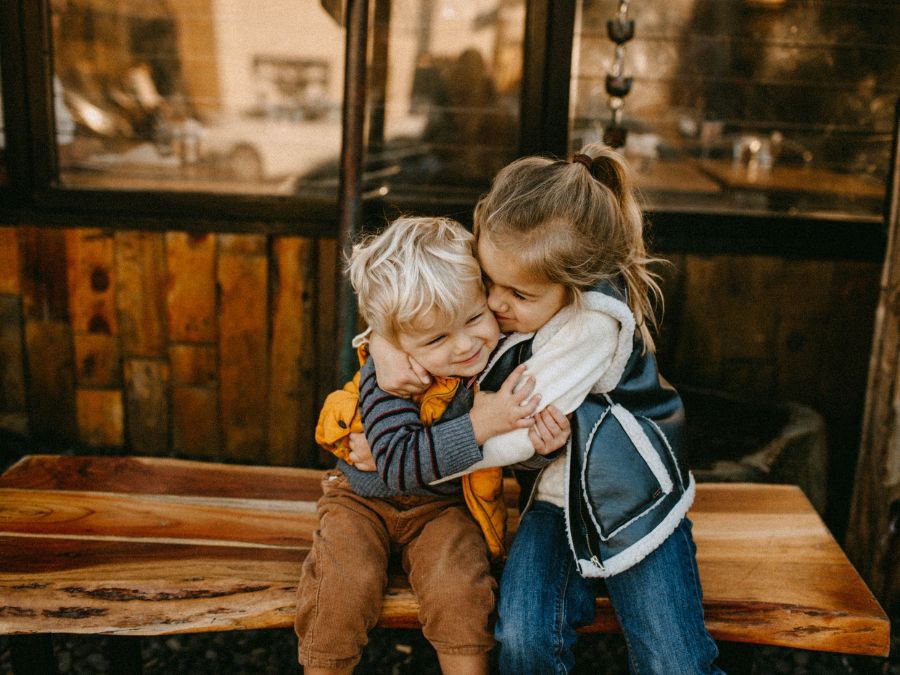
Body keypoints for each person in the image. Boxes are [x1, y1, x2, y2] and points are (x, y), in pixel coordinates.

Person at [364, 144, 725, 674]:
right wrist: (383, 343)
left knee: (673, 660)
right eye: (488, 283)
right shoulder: (512, 278)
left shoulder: (593, 326)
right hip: (552, 503)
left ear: (575, 284)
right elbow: (418, 303)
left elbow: (512, 437)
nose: (494, 305)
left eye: (519, 295)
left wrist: (405, 459)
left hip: (631, 502)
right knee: (525, 636)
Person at [294, 216, 570, 675]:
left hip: (447, 507)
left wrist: (544, 447)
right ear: (396, 342)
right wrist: (481, 423)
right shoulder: (392, 380)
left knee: (459, 589)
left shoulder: (500, 363)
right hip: (363, 501)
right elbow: (398, 464)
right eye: (437, 338)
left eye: (475, 318)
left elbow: (513, 448)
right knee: (343, 584)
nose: (465, 345)